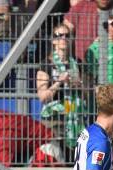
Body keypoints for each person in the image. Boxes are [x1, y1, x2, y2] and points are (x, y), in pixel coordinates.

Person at [36, 23, 86, 161]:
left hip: (75, 117)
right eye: (59, 36)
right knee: (57, 158)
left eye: (67, 35)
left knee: (75, 159)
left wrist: (78, 84)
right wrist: (59, 81)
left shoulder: (77, 63)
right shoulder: (46, 64)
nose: (63, 38)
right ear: (53, 40)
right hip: (54, 120)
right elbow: (43, 97)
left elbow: (87, 93)